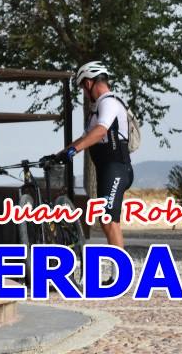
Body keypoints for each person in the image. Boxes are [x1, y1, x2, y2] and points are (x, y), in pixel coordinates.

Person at [56, 60, 133, 247]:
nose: (84, 92)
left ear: (89, 83)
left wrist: (74, 150)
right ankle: (118, 270)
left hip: (116, 168)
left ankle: (120, 273)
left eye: (83, 87)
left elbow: (100, 131)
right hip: (108, 170)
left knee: (109, 220)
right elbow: (85, 138)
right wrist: (59, 154)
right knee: (106, 219)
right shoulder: (97, 109)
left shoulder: (109, 102)